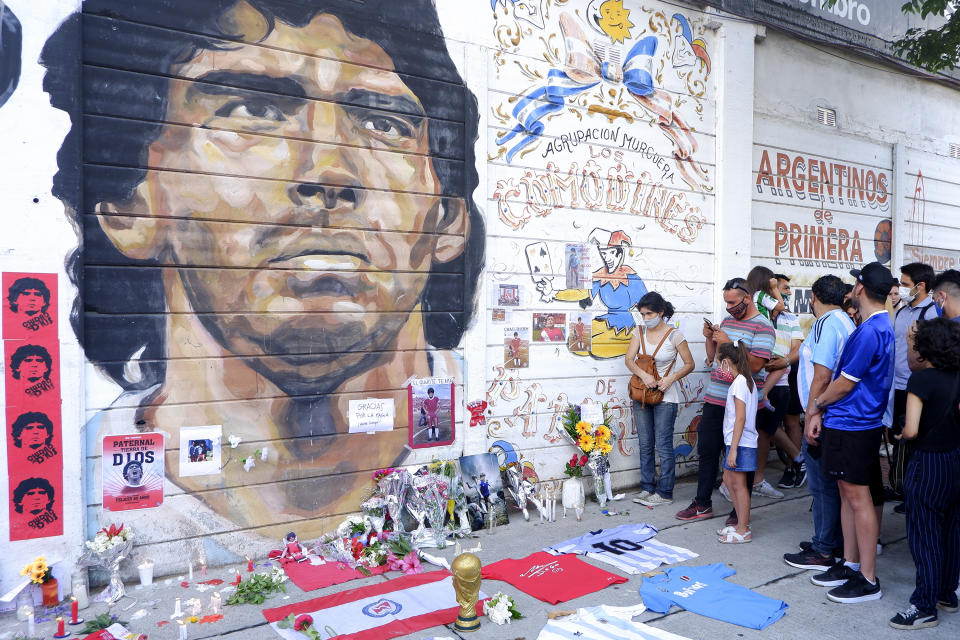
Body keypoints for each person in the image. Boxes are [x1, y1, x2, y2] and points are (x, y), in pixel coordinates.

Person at [44, 0, 485, 552]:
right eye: (252, 109)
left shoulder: (482, 429)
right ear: (128, 205)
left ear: (447, 219)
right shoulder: (76, 507)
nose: (329, 171)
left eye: (382, 122)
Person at [805, 262, 895, 603]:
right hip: (851, 422)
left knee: (859, 498)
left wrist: (816, 406)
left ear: (859, 289)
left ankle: (868, 578)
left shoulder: (871, 329)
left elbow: (844, 384)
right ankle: (851, 563)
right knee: (848, 495)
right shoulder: (876, 324)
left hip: (854, 423)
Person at [676, 277, 774, 522]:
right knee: (708, 451)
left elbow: (756, 365)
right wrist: (711, 338)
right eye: (726, 302)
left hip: (743, 403)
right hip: (716, 398)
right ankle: (702, 503)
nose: (729, 307)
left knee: (742, 457)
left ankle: (738, 513)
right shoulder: (728, 321)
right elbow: (714, 359)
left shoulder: (763, 326)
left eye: (733, 302)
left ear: (747, 298)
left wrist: (729, 342)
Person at [888, 318, 960, 629]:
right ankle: (947, 593)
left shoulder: (920, 381)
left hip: (928, 463)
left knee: (925, 535)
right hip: (956, 458)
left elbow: (913, 430)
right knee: (952, 530)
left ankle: (924, 605)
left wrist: (901, 434)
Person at [783, 275, 855, 572]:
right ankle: (831, 541)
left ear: (814, 296)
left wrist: (813, 413)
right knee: (831, 485)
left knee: (822, 486)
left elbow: (822, 376)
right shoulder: (845, 322)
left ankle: (824, 549)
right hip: (833, 413)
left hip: (824, 414)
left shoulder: (827, 324)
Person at [625, 292, 694, 507]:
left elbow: (689, 364)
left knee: (663, 444)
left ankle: (665, 492)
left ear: (661, 312)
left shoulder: (675, 335)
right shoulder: (639, 332)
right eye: (643, 314)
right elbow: (629, 359)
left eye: (650, 314)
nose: (646, 318)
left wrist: (671, 378)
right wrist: (644, 375)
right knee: (645, 443)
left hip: (666, 396)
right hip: (642, 394)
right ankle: (647, 487)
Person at [716, 341, 759, 544]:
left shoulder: (741, 382)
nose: (718, 368)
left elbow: (740, 418)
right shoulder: (743, 381)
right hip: (737, 441)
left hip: (741, 442)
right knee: (729, 479)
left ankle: (744, 528)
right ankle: (740, 523)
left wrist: (733, 450)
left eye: (719, 363)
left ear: (726, 362)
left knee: (739, 485)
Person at [773, 274, 806, 489]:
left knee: (791, 421)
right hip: (766, 378)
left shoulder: (790, 317)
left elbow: (798, 348)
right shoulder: (762, 315)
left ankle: (794, 467)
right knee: (769, 423)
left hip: (789, 374)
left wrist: (783, 362)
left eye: (788, 288)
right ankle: (796, 460)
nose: (788, 292)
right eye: (784, 288)